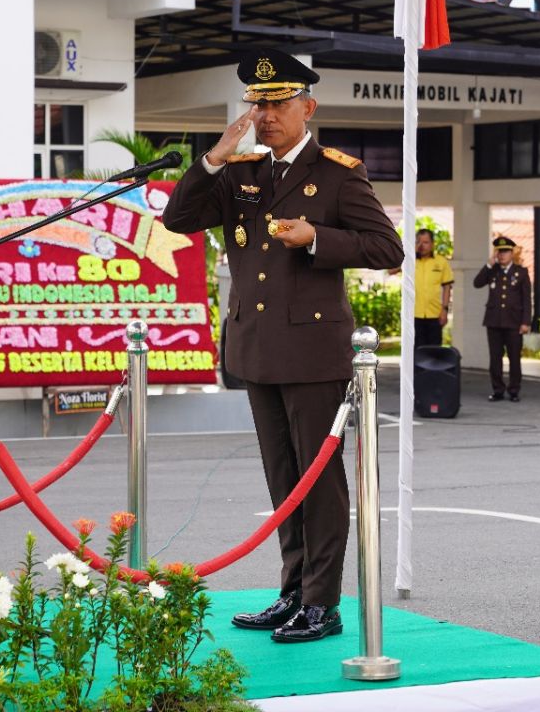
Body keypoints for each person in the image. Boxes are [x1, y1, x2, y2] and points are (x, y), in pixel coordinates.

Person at [162, 48, 403, 642]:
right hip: (257, 348)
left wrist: (318, 236)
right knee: (283, 480)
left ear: (307, 108)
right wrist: (213, 159)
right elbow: (178, 219)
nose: (265, 116)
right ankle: (292, 591)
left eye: (278, 104)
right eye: (258, 104)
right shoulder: (240, 172)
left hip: (313, 353)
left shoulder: (339, 173)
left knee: (318, 482)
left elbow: (387, 249)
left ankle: (322, 602)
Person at [473, 236, 531, 402]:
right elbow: (477, 283)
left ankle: (514, 390)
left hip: (514, 322)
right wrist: (488, 265)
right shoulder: (492, 270)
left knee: (514, 358)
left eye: (505, 251)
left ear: (512, 253)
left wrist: (525, 322)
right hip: (494, 321)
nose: (502, 255)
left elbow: (526, 300)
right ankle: (498, 390)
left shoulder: (521, 272)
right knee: (495, 359)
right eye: (499, 251)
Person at [394, 228, 454, 347]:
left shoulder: (441, 262)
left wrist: (445, 310)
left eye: (425, 242)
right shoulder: (409, 261)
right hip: (413, 315)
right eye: (418, 242)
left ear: (432, 244)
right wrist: (409, 255)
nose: (422, 246)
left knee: (434, 350)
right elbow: (391, 270)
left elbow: (447, 288)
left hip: (435, 314)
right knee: (415, 350)